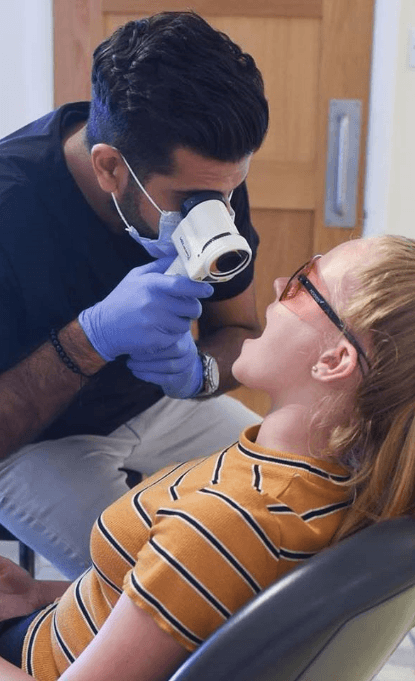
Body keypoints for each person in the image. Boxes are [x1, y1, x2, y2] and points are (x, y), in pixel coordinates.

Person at [1, 234, 415, 681]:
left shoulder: (228, 521)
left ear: (334, 361)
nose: (277, 284)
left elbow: (200, 561)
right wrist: (41, 593)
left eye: (303, 283)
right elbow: (191, 607)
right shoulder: (334, 486)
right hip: (47, 624)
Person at [0, 11, 269, 578]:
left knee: (304, 508)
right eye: (193, 199)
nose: (216, 213)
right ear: (110, 169)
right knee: (172, 590)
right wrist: (90, 338)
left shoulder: (208, 180)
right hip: (35, 443)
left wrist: (201, 374)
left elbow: (240, 332)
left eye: (230, 189)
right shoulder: (11, 208)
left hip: (160, 405)